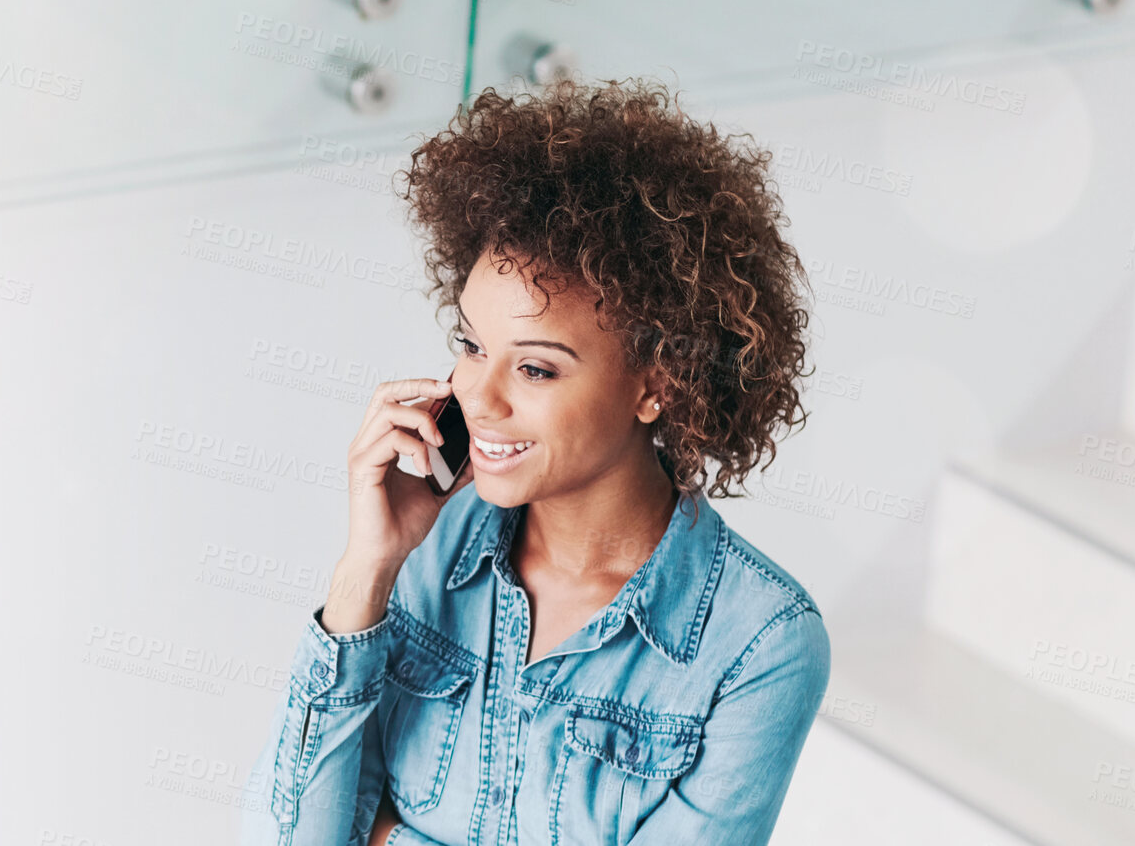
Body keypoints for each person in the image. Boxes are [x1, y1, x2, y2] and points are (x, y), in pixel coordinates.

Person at [244, 77, 828, 846]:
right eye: (473, 345)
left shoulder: (758, 642)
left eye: (536, 369)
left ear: (659, 384)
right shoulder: (430, 550)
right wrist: (366, 572)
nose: (477, 397)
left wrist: (394, 837)